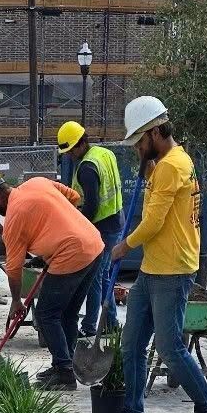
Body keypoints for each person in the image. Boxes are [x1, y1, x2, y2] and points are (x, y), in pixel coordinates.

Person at [108, 96, 207, 413]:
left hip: (171, 270)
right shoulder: (172, 162)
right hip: (154, 267)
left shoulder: (172, 166)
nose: (136, 150)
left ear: (155, 133)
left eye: (139, 142)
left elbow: (152, 222)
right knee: (131, 343)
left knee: (170, 347)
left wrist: (122, 247)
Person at [0, 167, 104, 389]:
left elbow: (13, 268)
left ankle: (63, 371)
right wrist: (58, 232)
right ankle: (65, 365)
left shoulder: (13, 219)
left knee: (45, 314)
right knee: (68, 313)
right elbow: (74, 197)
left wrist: (15, 301)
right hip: (94, 246)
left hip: (71, 255)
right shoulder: (37, 182)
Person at [56, 120, 124, 338]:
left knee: (96, 278)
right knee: (104, 276)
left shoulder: (87, 168)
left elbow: (92, 206)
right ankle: (111, 322)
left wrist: (78, 228)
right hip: (115, 220)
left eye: (69, 150)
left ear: (79, 144)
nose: (68, 155)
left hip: (102, 228)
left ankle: (91, 326)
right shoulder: (104, 153)